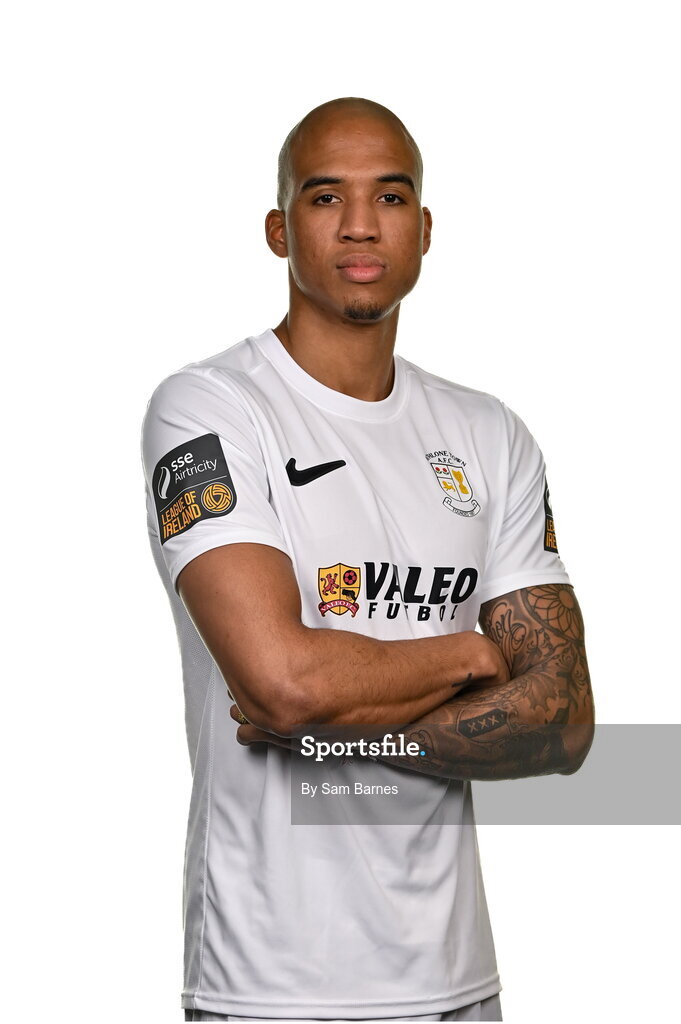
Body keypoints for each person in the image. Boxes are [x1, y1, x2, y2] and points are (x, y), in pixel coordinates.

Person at [141, 96, 595, 1023]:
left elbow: (564, 720)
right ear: (278, 228)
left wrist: (352, 728)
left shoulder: (488, 433)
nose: (359, 224)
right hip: (271, 988)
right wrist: (469, 658)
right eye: (323, 198)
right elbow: (283, 686)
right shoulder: (210, 410)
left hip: (457, 985)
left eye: (389, 197)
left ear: (423, 230)